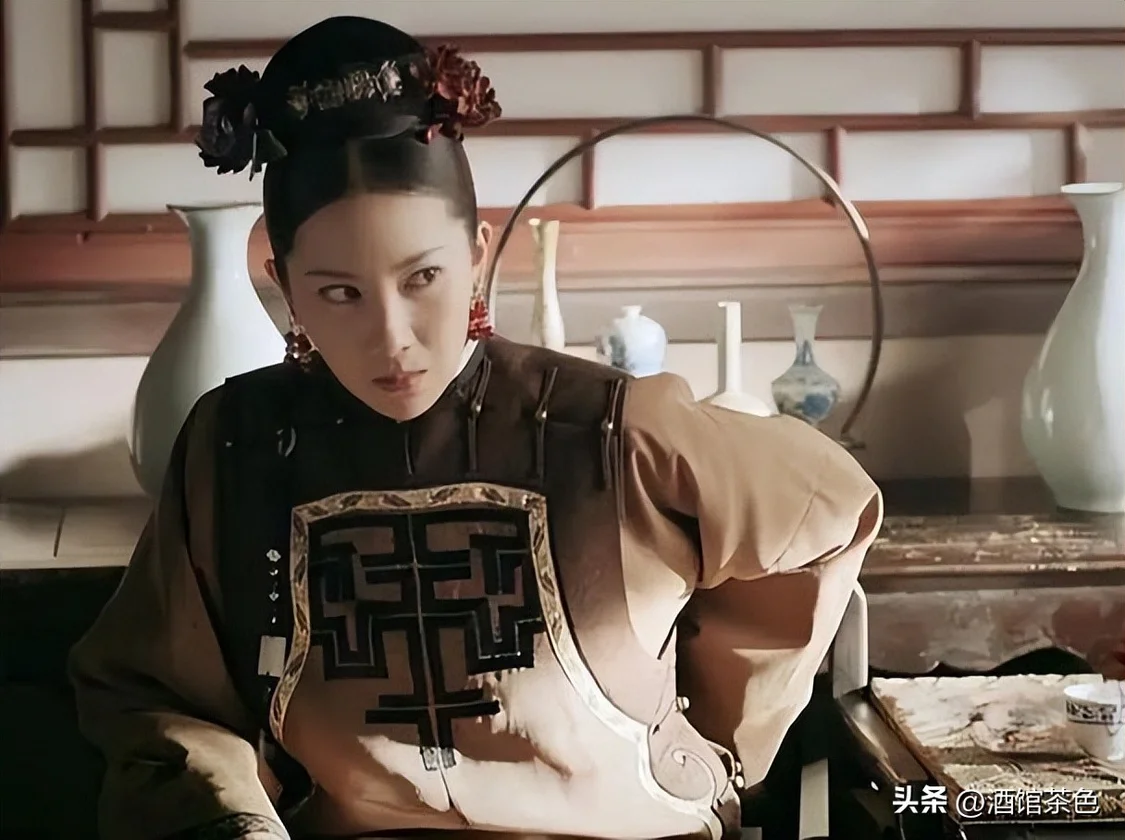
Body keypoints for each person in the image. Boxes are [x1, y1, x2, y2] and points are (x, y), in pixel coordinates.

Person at [69, 15, 882, 840]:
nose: (391, 338)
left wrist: (700, 738)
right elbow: (155, 695)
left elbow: (826, 510)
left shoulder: (609, 428)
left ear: (476, 253)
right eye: (340, 293)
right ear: (284, 283)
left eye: (422, 276)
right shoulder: (236, 444)